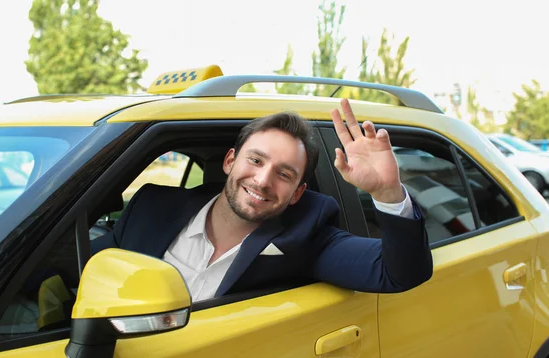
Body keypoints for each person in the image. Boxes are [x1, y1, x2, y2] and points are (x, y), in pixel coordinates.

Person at [91, 99, 433, 301]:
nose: (263, 180)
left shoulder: (305, 238)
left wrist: (387, 193)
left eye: (284, 174)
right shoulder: (151, 208)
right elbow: (79, 272)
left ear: (298, 192)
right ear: (230, 161)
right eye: (255, 160)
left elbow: (399, 273)